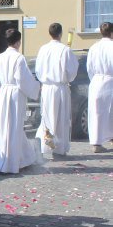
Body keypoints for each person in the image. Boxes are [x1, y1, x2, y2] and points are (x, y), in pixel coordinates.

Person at [0, 29, 40, 174]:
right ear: (18, 41)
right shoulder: (19, 57)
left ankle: (22, 159)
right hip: (15, 94)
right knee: (14, 127)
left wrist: (2, 87)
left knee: (4, 127)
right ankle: (11, 164)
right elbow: (22, 79)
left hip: (4, 92)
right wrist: (36, 87)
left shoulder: (0, 57)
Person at [34, 23, 79, 156]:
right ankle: (58, 148)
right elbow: (72, 71)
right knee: (61, 118)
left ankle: (46, 146)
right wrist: (67, 78)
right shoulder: (65, 50)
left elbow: (38, 69)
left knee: (47, 117)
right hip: (60, 88)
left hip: (47, 88)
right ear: (61, 33)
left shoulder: (43, 49)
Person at [86, 22, 113, 153]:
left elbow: (89, 67)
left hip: (96, 81)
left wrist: (94, 79)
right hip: (110, 79)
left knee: (95, 112)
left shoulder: (93, 47)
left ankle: (96, 142)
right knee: (110, 112)